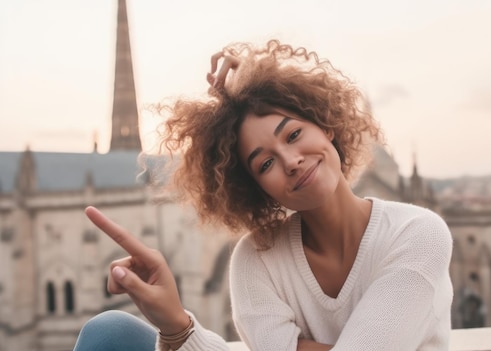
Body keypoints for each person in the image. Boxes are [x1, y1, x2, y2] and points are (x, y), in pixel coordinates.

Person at [73, 39, 453, 351]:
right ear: (257, 190)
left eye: (293, 134)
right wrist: (176, 326)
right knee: (110, 331)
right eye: (264, 164)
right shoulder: (257, 257)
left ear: (327, 128)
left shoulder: (418, 233)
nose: (290, 161)